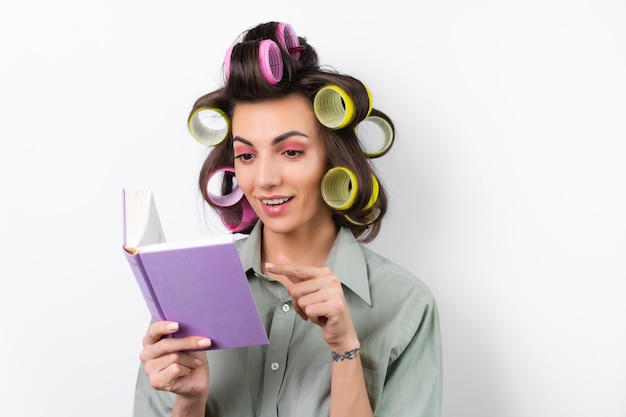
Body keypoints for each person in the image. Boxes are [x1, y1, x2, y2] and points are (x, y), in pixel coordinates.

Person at [132, 21, 442, 417]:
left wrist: (346, 352)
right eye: (246, 155)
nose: (264, 179)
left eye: (291, 152)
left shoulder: (405, 306)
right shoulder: (187, 292)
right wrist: (190, 403)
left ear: (332, 159)